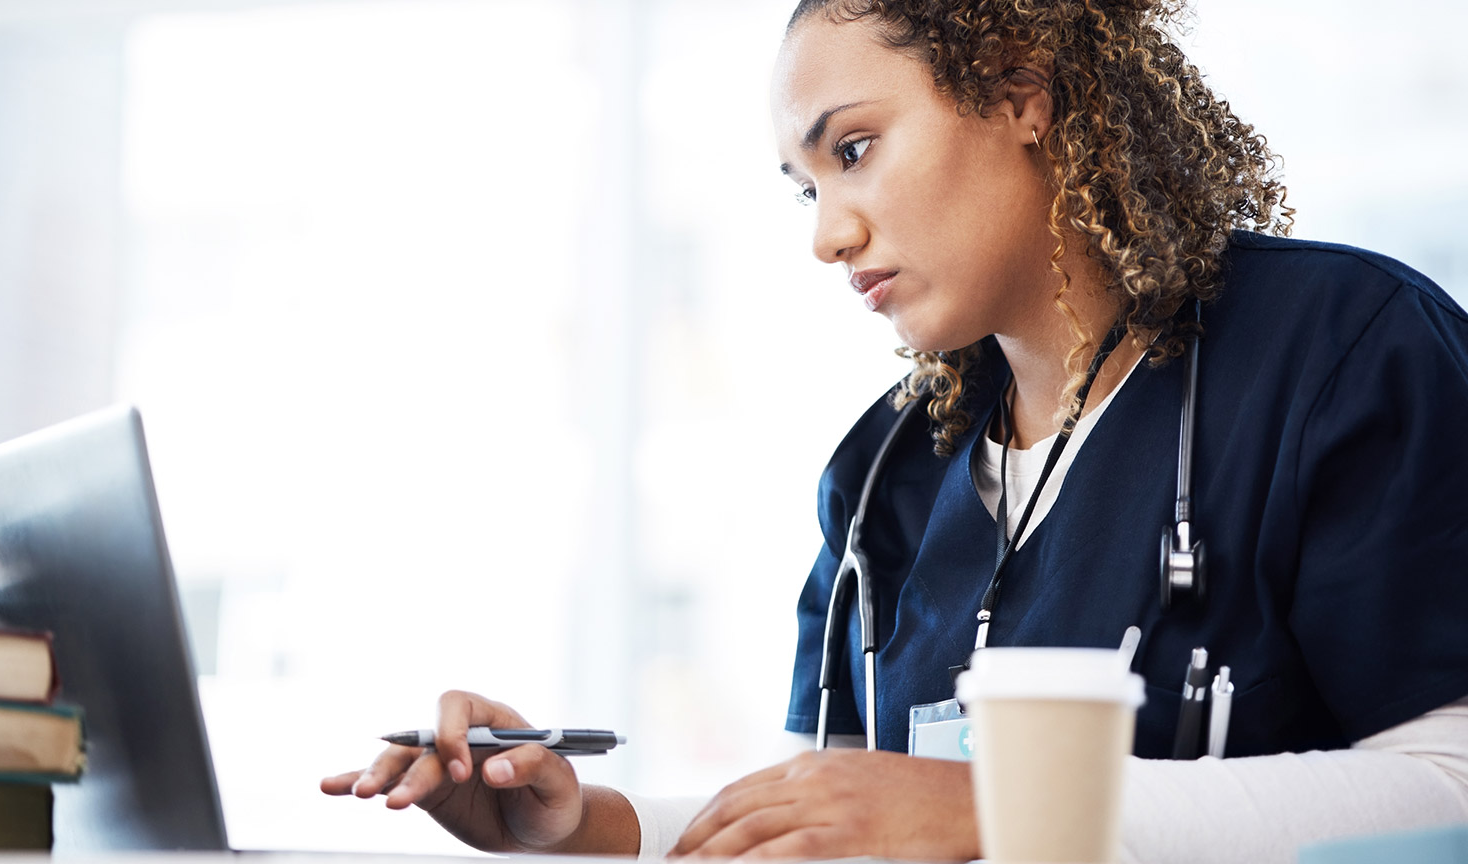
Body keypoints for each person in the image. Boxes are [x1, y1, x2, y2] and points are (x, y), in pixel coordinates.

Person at [321, 0, 1468, 860]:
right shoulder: (887, 476)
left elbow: (1451, 779)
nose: (829, 234)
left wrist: (1000, 817)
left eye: (854, 150)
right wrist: (578, 827)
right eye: (804, 186)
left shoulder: (1346, 352)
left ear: (1023, 89)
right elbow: (833, 815)